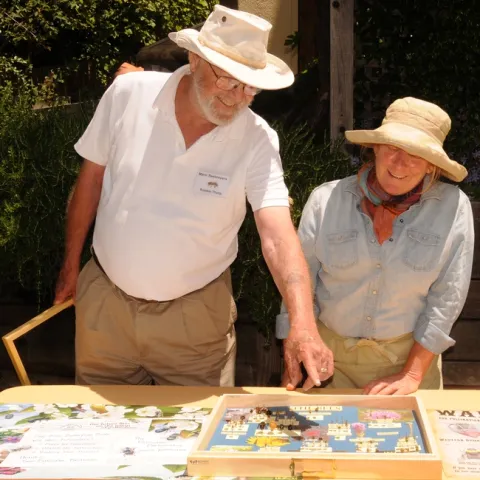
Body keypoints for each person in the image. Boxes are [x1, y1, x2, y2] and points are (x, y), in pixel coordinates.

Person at [54, 5, 333, 388]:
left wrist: (302, 323)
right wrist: (70, 267)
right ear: (195, 59)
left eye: (250, 87)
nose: (237, 98)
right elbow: (90, 181)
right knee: (98, 430)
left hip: (196, 320)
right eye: (228, 81)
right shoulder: (127, 95)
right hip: (106, 308)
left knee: (195, 438)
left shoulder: (257, 138)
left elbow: (277, 235)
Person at [277, 97, 475, 394]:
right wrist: (295, 355)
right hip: (326, 365)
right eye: (393, 148)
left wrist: (411, 375)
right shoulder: (325, 200)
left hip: (410, 368)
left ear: (432, 166)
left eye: (416, 155)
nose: (400, 163)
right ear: (376, 149)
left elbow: (446, 299)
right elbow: (299, 285)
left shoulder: (453, 208)